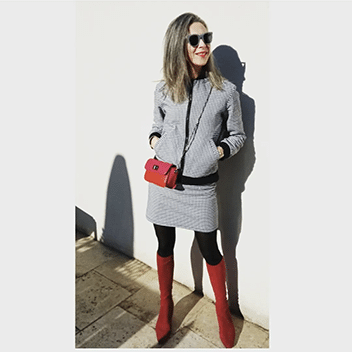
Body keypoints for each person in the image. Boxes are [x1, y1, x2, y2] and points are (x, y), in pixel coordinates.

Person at [146, 12, 246, 348]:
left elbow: (237, 136)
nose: (203, 45)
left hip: (201, 187)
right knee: (164, 245)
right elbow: (156, 126)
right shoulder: (163, 90)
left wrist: (215, 152)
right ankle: (165, 305)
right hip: (165, 184)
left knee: (210, 248)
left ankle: (222, 312)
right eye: (194, 40)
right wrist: (156, 144)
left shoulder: (225, 91)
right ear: (180, 45)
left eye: (207, 38)